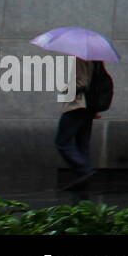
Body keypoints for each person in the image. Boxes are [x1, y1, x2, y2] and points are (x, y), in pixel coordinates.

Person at [56, 58, 97, 190]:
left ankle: (85, 170)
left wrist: (64, 89)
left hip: (76, 105)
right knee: (82, 144)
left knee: (62, 142)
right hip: (88, 107)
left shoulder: (79, 58)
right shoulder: (94, 60)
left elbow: (81, 83)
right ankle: (83, 180)